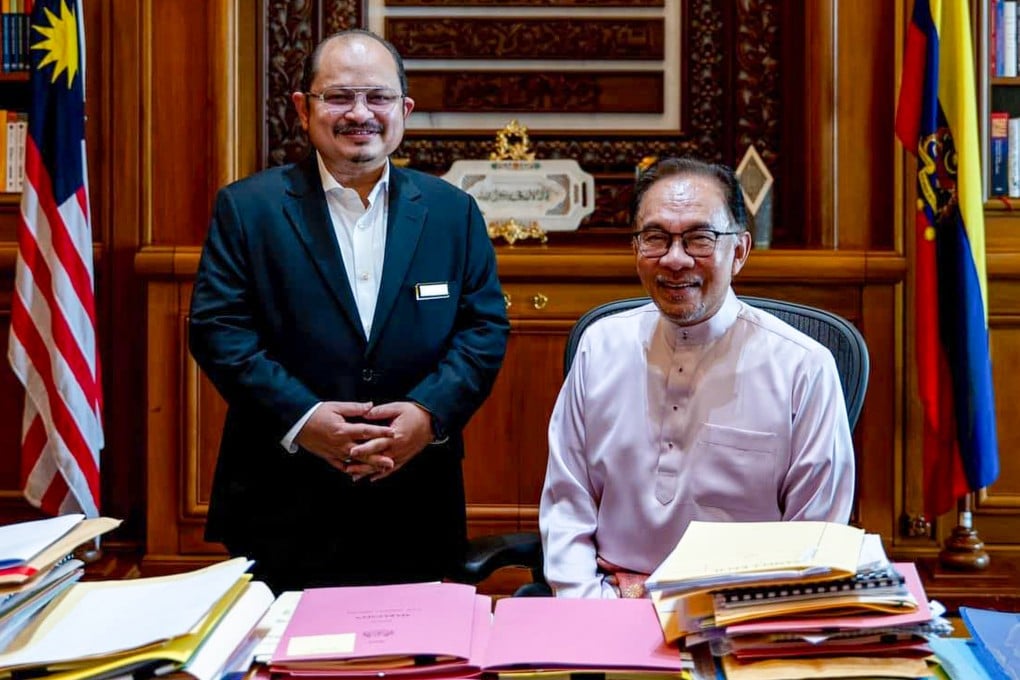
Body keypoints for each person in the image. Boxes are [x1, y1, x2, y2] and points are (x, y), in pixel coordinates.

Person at [189, 29, 509, 593]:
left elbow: (482, 330)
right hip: (283, 495)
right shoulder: (248, 209)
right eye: (339, 97)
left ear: (404, 110)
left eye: (377, 97)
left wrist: (427, 416)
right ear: (302, 108)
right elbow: (220, 331)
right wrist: (304, 420)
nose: (359, 114)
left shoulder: (452, 212)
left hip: (415, 493)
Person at [539, 157, 855, 598]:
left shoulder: (805, 368)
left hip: (745, 609)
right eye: (655, 238)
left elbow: (816, 534)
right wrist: (588, 608)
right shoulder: (600, 346)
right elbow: (566, 504)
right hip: (609, 599)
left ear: (739, 251)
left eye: (699, 239)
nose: (675, 258)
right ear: (636, 249)